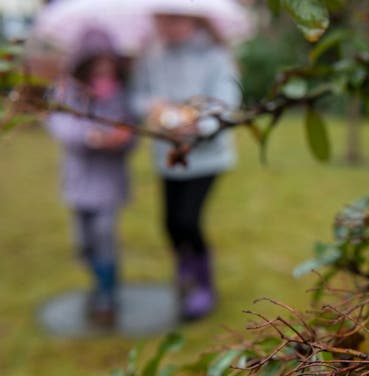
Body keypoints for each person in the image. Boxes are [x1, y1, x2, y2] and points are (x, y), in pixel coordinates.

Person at [130, 11, 241, 320]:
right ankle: (185, 268)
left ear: (193, 21)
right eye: (161, 21)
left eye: (173, 21)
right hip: (168, 155)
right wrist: (152, 108)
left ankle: (204, 286)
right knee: (170, 224)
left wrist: (197, 126)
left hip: (206, 156)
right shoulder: (152, 55)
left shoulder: (216, 57)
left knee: (188, 220)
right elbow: (138, 97)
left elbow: (228, 105)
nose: (165, 28)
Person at [46, 29, 135, 326]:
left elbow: (131, 130)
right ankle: (97, 281)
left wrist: (121, 139)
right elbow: (61, 127)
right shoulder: (68, 92)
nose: (103, 71)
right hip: (79, 180)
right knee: (84, 242)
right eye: (96, 65)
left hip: (109, 180)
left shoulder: (121, 95)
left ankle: (107, 294)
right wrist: (90, 136)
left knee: (104, 235)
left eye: (108, 65)